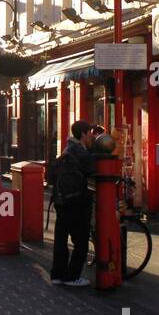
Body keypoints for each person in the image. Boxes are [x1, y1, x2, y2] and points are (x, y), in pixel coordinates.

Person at [48, 121, 96, 287]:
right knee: (81, 240)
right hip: (75, 201)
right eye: (90, 132)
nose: (91, 135)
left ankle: (57, 274)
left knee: (61, 239)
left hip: (61, 199)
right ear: (83, 134)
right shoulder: (80, 151)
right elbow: (92, 169)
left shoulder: (68, 148)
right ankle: (72, 277)